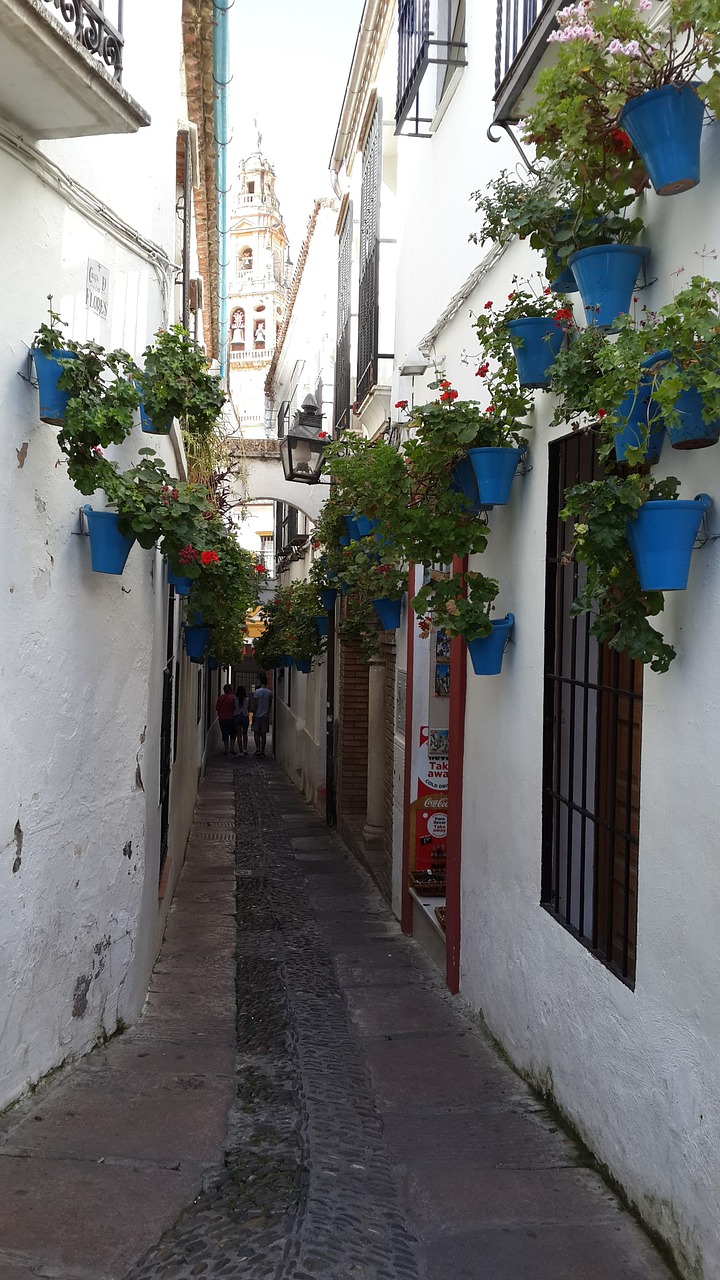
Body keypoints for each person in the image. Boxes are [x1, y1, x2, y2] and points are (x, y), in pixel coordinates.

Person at [251, 675, 272, 757]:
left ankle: (257, 749)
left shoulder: (257, 692)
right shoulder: (269, 693)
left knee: (256, 732)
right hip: (265, 715)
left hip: (257, 714)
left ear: (260, 682)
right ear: (266, 682)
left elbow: (255, 703)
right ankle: (263, 750)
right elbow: (270, 704)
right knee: (263, 734)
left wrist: (253, 713)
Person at [216, 684, 237, 756]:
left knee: (224, 733)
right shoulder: (234, 698)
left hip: (222, 718)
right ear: (231, 690)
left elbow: (217, 708)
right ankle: (232, 748)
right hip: (232, 718)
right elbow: (235, 708)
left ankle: (226, 749)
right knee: (233, 733)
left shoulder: (220, 698)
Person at [234, 684, 250, 755]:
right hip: (245, 717)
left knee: (239, 734)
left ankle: (240, 750)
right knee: (245, 733)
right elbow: (249, 708)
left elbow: (233, 708)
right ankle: (245, 749)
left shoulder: (235, 700)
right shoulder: (247, 700)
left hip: (237, 717)